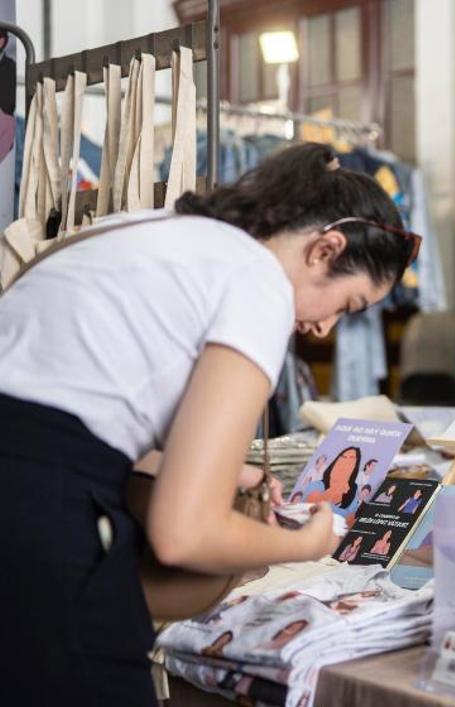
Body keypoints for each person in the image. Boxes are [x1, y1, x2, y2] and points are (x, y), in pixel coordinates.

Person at [0, 143, 415, 703]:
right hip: (35, 518)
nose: (324, 329)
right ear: (325, 249)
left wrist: (192, 468)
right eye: (347, 305)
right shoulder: (257, 282)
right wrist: (304, 545)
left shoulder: (147, 230)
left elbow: (73, 396)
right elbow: (184, 533)